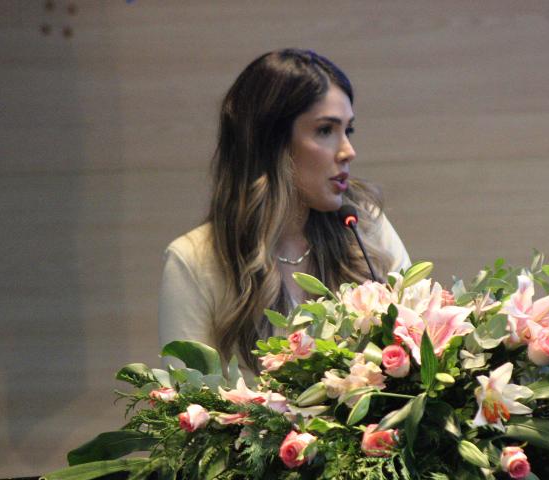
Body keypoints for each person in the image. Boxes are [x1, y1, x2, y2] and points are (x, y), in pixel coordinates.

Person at [158, 49, 410, 378]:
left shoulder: (364, 226)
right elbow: (189, 402)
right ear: (270, 143)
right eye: (325, 130)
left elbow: (418, 346)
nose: (348, 151)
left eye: (348, 130)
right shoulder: (193, 261)